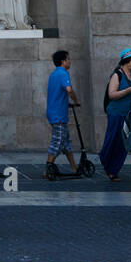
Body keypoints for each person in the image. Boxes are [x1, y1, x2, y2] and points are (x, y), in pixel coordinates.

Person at [99, 47, 131, 180]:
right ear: (124, 61)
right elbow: (112, 95)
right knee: (114, 141)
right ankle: (107, 164)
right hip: (117, 113)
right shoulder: (117, 74)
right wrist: (128, 90)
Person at [43, 49, 80, 178]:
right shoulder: (63, 73)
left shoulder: (53, 74)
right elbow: (68, 89)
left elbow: (57, 93)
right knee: (57, 141)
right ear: (63, 61)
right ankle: (47, 167)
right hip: (58, 114)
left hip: (56, 111)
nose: (70, 61)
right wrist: (76, 100)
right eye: (68, 59)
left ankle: (74, 168)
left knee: (66, 142)